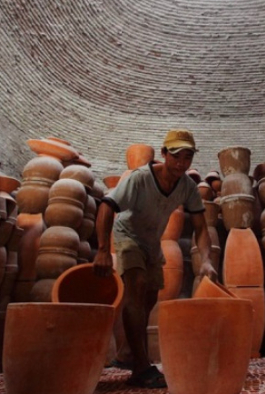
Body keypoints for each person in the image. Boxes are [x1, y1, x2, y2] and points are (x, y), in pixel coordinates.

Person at [94, 128, 217, 389]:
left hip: (152, 243)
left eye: (187, 158)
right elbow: (106, 205)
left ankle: (127, 353)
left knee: (149, 298)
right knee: (136, 288)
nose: (182, 164)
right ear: (163, 154)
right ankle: (140, 367)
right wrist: (103, 250)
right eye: (176, 157)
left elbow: (201, 227)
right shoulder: (139, 178)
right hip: (127, 235)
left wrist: (206, 259)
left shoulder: (187, 187)